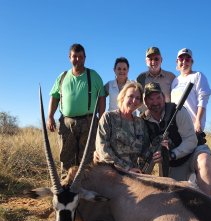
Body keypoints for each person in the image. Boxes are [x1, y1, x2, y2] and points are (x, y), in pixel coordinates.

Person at [142, 82, 211, 198]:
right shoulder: (143, 120)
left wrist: (171, 154)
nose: (155, 102)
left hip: (192, 152)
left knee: (204, 160)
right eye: (150, 99)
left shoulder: (178, 111)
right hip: (173, 164)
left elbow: (191, 141)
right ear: (145, 102)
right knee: (173, 197)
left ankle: (208, 204)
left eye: (158, 97)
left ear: (163, 97)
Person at [47, 43, 105, 177]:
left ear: (85, 57)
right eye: (74, 56)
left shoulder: (94, 75)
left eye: (80, 56)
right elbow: (54, 97)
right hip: (66, 122)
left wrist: (101, 119)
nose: (77, 59)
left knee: (87, 159)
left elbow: (101, 97)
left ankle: (86, 190)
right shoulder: (62, 77)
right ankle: (66, 189)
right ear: (69, 57)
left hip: (89, 122)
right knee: (66, 158)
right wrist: (50, 116)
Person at [94, 81, 162, 173]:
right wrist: (126, 169)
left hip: (134, 173)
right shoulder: (108, 117)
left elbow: (145, 151)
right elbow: (103, 150)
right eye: (130, 96)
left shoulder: (140, 123)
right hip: (111, 172)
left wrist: (159, 148)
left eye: (137, 98)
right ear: (123, 97)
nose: (134, 101)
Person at [171, 48, 211, 137]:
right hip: (177, 129)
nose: (184, 62)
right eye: (181, 59)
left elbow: (203, 99)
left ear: (191, 62)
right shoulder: (174, 81)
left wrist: (198, 121)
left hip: (193, 128)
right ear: (177, 62)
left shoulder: (198, 75)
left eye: (187, 59)